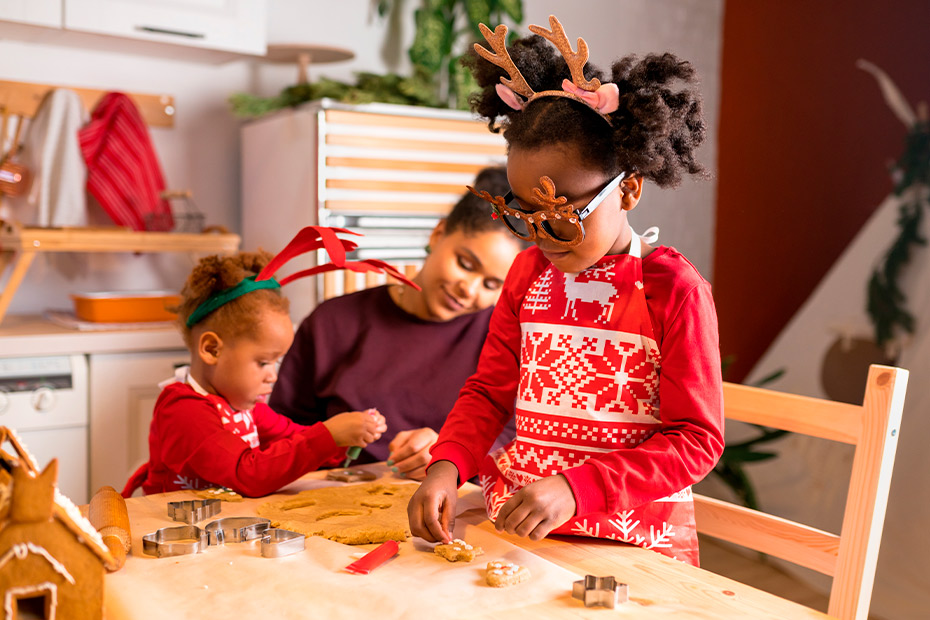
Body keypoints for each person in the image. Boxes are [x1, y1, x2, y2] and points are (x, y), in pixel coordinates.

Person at [407, 15, 724, 566]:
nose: (540, 237)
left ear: (628, 189)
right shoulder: (529, 274)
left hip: (632, 543)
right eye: (522, 216)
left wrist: (577, 488)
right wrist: (448, 464)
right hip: (521, 532)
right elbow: (488, 391)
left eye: (561, 216)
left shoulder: (673, 290)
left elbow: (695, 440)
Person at [269, 166, 526, 480]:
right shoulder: (332, 323)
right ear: (438, 234)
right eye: (465, 264)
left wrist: (453, 452)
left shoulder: (502, 340)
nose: (468, 289)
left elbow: (514, 438)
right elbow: (280, 434)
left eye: (491, 285)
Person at [122, 250, 386, 498]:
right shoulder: (183, 411)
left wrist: (342, 437)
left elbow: (294, 440)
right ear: (211, 349)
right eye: (262, 362)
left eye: (276, 363)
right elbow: (246, 473)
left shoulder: (245, 409)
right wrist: (328, 436)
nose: (273, 376)